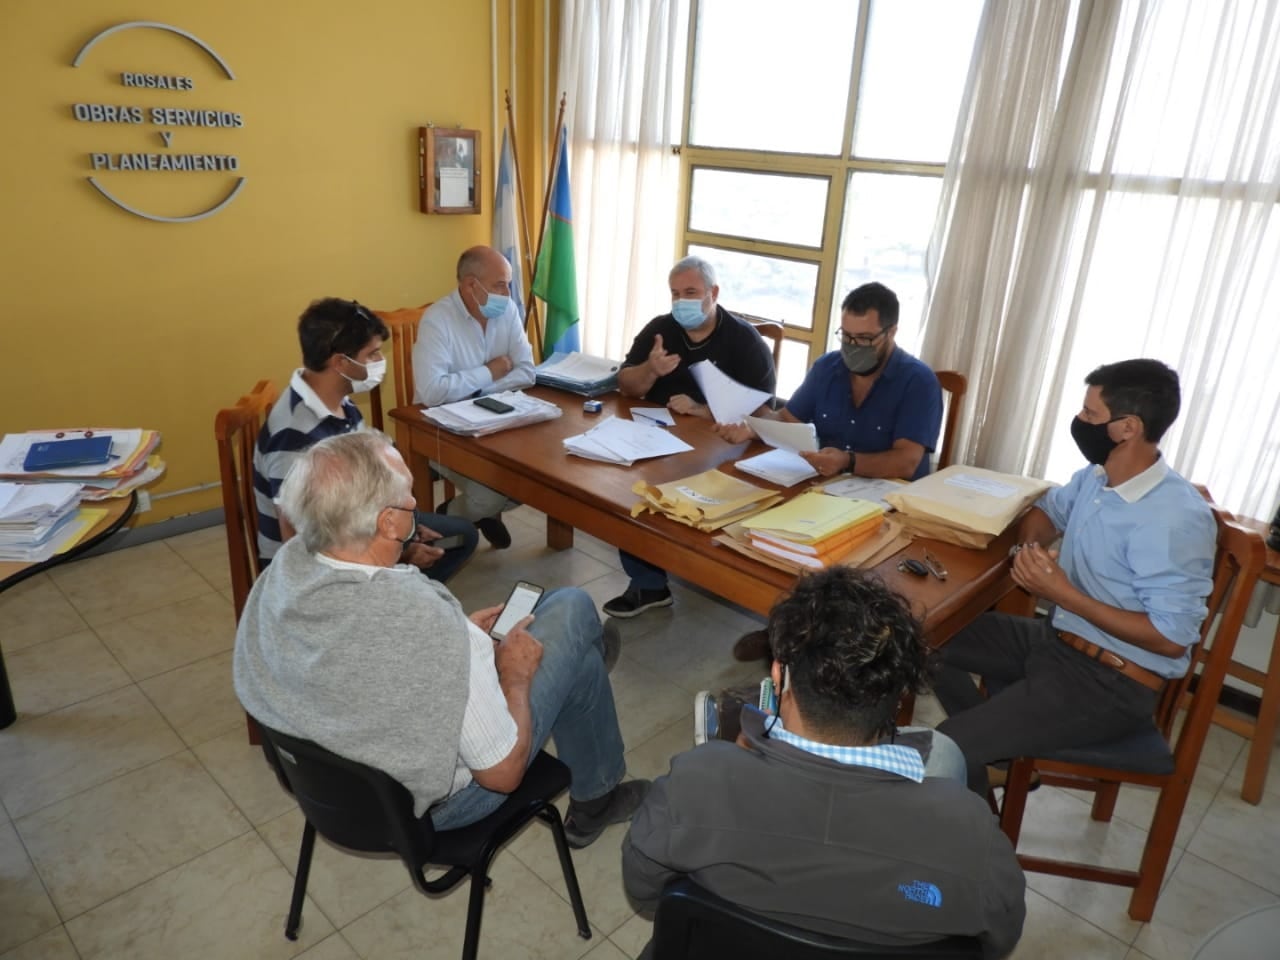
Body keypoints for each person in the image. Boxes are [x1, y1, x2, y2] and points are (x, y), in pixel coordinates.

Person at [235, 430, 649, 846]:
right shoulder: (426, 620)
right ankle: (596, 785)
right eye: (409, 497)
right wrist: (513, 678)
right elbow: (502, 775)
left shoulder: (282, 571)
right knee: (573, 607)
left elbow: (370, 653)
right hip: (437, 809)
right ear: (389, 522)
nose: (417, 505)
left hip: (331, 793)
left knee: (576, 658)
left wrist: (458, 640)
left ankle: (585, 692)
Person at [622, 568, 1026, 959]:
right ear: (900, 692)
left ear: (779, 677)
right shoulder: (969, 833)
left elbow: (644, 889)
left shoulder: (695, 784)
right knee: (945, 752)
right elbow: (997, 939)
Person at [933, 359, 1216, 795]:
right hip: (1058, 640)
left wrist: (1061, 593)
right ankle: (995, 759)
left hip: (1112, 682)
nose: (1080, 421)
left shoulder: (1174, 518)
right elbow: (1047, 512)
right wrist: (1032, 550)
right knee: (922, 635)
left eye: (1090, 415)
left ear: (1128, 428)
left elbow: (1170, 638)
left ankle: (974, 792)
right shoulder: (1098, 475)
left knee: (943, 749)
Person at [718, 280, 943, 660]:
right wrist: (752, 425)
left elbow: (907, 461)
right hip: (826, 488)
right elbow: (788, 419)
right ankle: (788, 632)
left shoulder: (918, 381)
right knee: (767, 529)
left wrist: (848, 460)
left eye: (865, 338)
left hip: (887, 502)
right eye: (847, 336)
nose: (853, 347)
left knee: (833, 557)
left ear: (891, 332)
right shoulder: (827, 368)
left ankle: (811, 643)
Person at [253, 297, 477, 582]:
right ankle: (393, 600)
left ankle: (400, 593)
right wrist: (399, 555)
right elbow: (301, 544)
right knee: (432, 556)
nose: (379, 362)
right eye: (371, 354)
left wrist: (406, 529)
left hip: (356, 520)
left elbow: (367, 479)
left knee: (463, 535)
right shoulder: (293, 438)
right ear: (339, 362)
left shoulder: (337, 401)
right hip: (320, 567)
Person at [603, 255, 777, 618]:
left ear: (713, 293)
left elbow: (763, 414)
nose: (681, 301)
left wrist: (702, 410)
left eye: (691, 292)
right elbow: (626, 385)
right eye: (675, 293)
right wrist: (650, 369)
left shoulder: (745, 341)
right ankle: (649, 585)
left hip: (721, 448)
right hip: (657, 441)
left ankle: (714, 574)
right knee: (627, 489)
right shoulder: (661, 330)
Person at [413, 246, 537, 549]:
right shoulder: (437, 320)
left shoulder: (506, 310)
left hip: (497, 419)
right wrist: (490, 370)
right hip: (442, 428)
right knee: (492, 493)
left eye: (508, 283)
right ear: (471, 285)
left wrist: (477, 389)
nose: (507, 293)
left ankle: (481, 514)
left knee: (534, 480)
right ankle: (452, 515)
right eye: (500, 284)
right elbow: (433, 392)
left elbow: (527, 371)